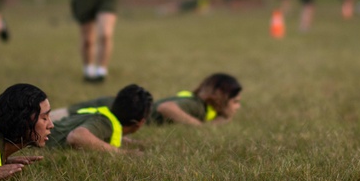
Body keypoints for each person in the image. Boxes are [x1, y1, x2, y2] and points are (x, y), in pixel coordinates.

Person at [52, 73, 243, 126]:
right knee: (57, 118)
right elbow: (167, 108)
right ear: (220, 98)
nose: (238, 107)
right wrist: (197, 125)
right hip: (114, 108)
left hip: (117, 106)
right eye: (235, 101)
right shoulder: (196, 106)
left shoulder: (204, 108)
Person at [45, 84, 151, 153]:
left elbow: (101, 136)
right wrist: (124, 153)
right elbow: (77, 136)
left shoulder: (107, 117)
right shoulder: (106, 122)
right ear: (140, 122)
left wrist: (130, 142)